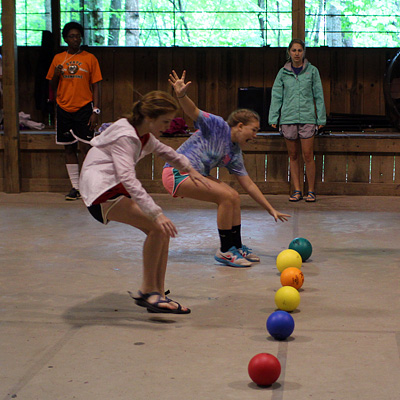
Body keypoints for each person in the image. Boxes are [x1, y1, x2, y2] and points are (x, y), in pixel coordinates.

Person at [79, 90, 211, 314]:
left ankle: (156, 293)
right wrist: (156, 212)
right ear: (149, 118)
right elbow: (128, 179)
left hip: (112, 188)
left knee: (162, 232)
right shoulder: (126, 137)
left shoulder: (143, 135)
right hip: (102, 191)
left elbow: (166, 151)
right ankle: (149, 292)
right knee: (158, 226)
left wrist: (189, 169)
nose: (169, 126)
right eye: (165, 121)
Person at [162, 70, 290, 268]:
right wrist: (181, 94)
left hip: (198, 175)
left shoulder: (234, 152)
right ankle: (224, 251)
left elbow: (248, 184)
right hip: (176, 172)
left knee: (234, 196)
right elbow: (192, 110)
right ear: (240, 126)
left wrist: (270, 209)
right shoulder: (216, 125)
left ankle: (236, 246)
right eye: (254, 130)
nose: (255, 135)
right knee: (225, 196)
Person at [46, 22, 102, 201]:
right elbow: (52, 86)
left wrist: (96, 110)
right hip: (63, 108)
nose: (75, 39)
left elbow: (96, 86)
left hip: (84, 108)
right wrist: (56, 73)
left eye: (78, 36)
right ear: (65, 39)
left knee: (87, 147)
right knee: (69, 148)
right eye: (71, 36)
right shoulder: (58, 58)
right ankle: (75, 187)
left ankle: (90, 186)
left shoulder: (90, 58)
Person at [269, 39, 326, 203]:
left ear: (304, 52)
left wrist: (320, 117)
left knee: (308, 155)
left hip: (308, 118)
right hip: (288, 118)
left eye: (299, 50)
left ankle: (311, 191)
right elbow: (277, 96)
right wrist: (274, 117)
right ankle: (297, 190)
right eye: (293, 50)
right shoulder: (283, 73)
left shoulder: (312, 71)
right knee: (293, 155)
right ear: (289, 52)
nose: (296, 53)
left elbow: (319, 96)